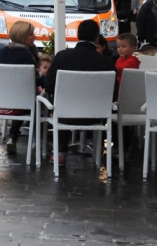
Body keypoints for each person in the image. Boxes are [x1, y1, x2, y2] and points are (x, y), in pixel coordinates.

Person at [44, 20, 116, 164]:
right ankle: (98, 151)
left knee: (61, 101)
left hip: (65, 114)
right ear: (97, 38)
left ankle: (60, 152)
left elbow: (49, 87)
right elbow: (113, 94)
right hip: (96, 115)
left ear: (77, 35)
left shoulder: (62, 57)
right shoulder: (106, 62)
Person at [0, 21, 39, 155]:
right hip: (21, 103)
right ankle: (36, 140)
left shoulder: (0, 52)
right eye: (31, 34)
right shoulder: (27, 55)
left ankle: (13, 138)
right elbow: (32, 82)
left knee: (19, 97)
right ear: (22, 36)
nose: (34, 37)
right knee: (36, 100)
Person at [114, 33, 140, 100]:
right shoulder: (119, 59)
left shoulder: (132, 61)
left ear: (132, 48)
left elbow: (131, 78)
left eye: (123, 46)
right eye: (118, 46)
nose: (120, 49)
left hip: (125, 88)